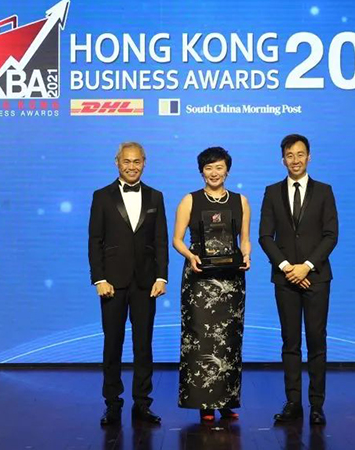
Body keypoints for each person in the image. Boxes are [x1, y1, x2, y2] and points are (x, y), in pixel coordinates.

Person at [259, 134, 338, 426]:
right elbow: (265, 236)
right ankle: (293, 403)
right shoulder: (271, 192)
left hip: (317, 278)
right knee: (290, 342)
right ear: (283, 160)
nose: (295, 160)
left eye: (300, 154)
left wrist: (306, 267)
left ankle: (316, 405)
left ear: (309, 157)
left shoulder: (324, 191)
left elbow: (331, 235)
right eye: (290, 155)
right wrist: (287, 268)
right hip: (285, 280)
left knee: (317, 341)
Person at [88, 142, 169, 426]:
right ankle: (112, 404)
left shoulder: (156, 196)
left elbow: (160, 240)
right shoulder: (101, 196)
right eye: (126, 161)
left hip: (146, 283)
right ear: (117, 162)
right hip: (111, 283)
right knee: (112, 345)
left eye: (136, 161)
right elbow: (95, 240)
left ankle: (142, 404)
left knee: (143, 345)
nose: (131, 166)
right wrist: (99, 278)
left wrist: (161, 277)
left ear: (144, 163)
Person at [173, 147, 251, 422]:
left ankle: (227, 401)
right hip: (199, 280)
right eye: (208, 168)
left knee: (229, 340)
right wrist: (190, 255)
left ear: (227, 170)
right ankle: (204, 403)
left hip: (231, 280)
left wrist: (247, 255)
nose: (214, 173)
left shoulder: (241, 201)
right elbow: (177, 239)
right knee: (199, 341)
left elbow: (245, 239)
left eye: (219, 167)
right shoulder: (189, 200)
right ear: (201, 172)